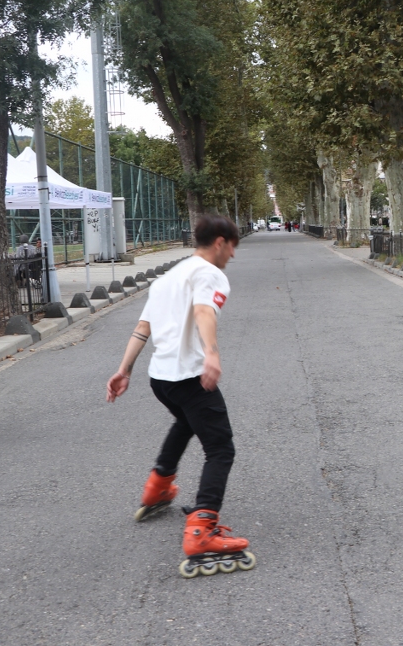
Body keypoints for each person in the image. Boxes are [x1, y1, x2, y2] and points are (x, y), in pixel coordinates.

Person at [106, 214, 255, 578]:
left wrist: (123, 369)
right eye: (232, 246)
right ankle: (202, 530)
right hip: (189, 375)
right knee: (221, 448)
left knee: (187, 422)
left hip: (161, 378)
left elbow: (143, 328)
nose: (233, 255)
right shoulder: (209, 273)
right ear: (220, 241)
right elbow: (204, 310)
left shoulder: (168, 277)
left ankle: (158, 487)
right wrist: (212, 354)